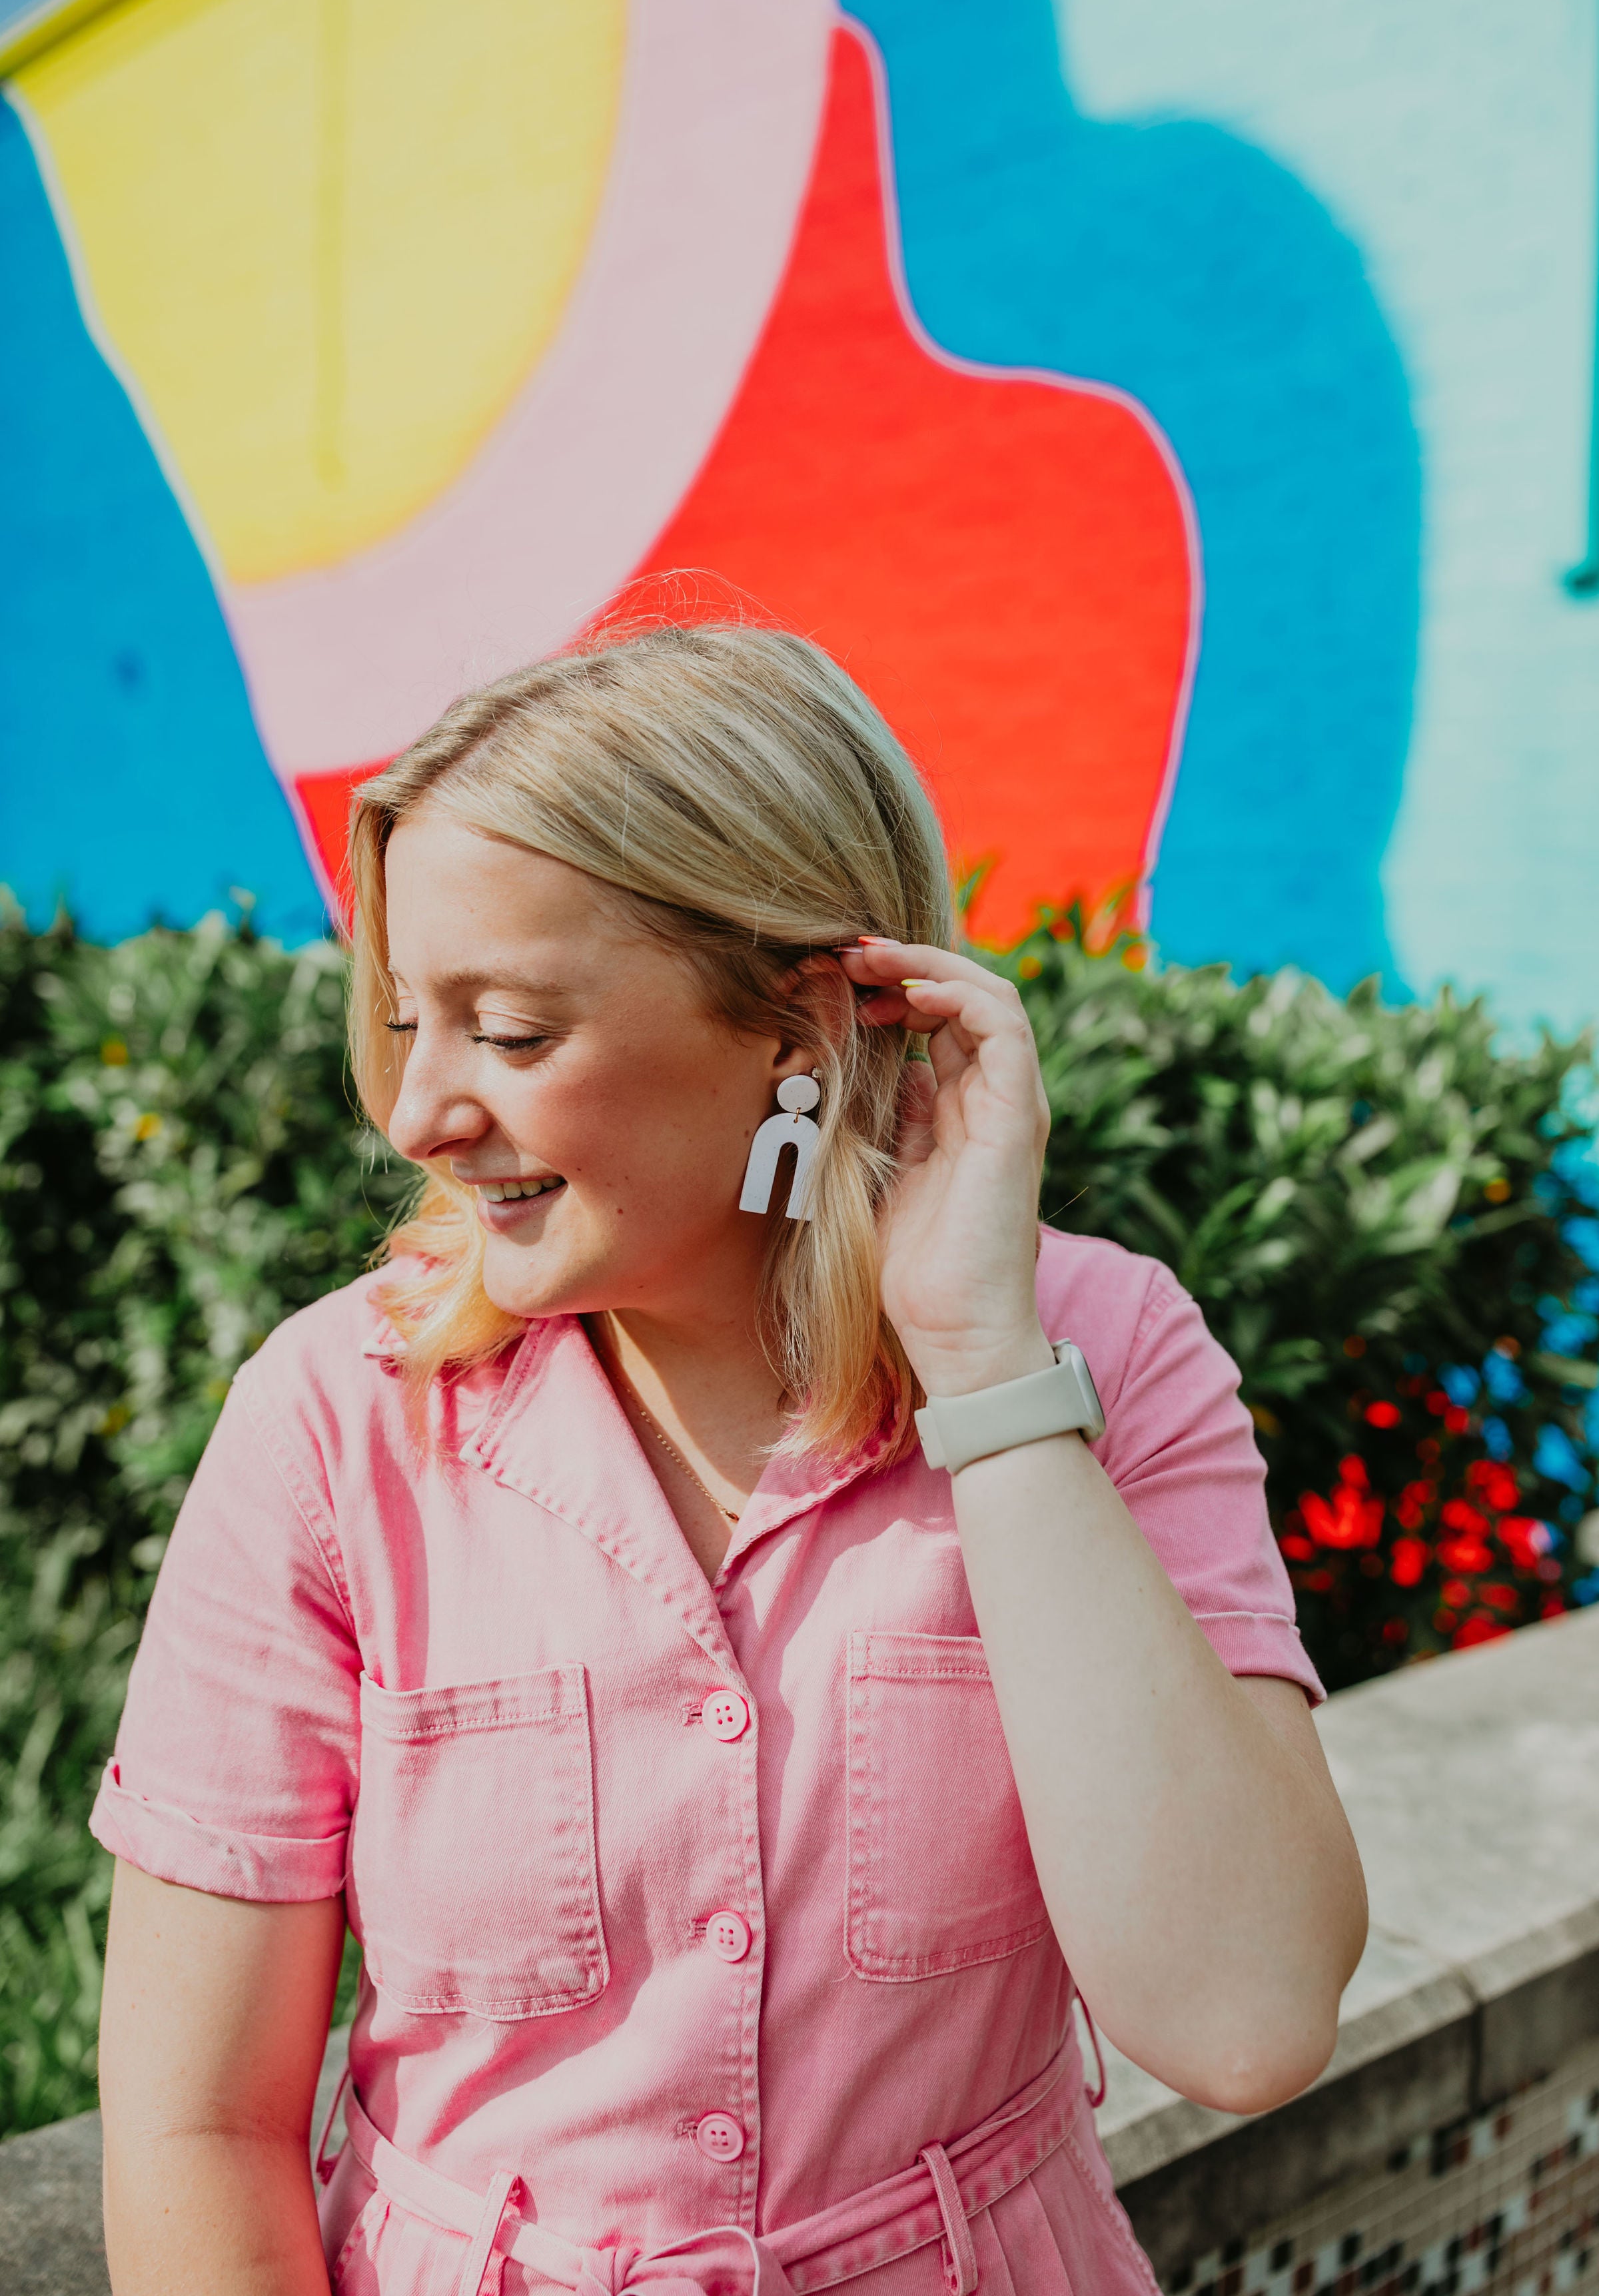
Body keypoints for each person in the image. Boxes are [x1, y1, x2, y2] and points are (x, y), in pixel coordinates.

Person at [93, 623, 1366, 2296]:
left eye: (514, 1032)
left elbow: (1248, 2016)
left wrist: (987, 1372)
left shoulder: (1103, 1359)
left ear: (799, 1024)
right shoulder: (334, 1421)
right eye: (410, 1019)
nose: (418, 1113)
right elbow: (201, 2129)